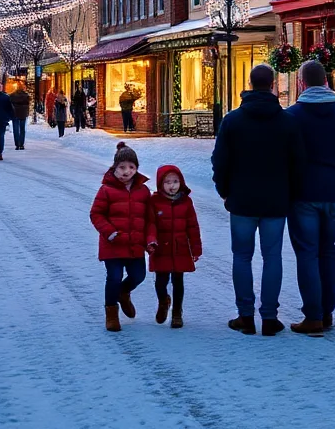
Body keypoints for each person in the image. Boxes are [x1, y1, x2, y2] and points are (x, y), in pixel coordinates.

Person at [211, 63, 305, 337]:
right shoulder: (287, 121)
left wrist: (224, 190)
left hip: (241, 200)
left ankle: (245, 315)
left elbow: (220, 161)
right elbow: (298, 163)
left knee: (242, 256)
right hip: (276, 201)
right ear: (273, 84)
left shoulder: (233, 120)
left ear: (250, 85)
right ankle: (269, 317)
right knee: (272, 256)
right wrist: (291, 192)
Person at [285, 60, 335, 335]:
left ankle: (313, 315)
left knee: (307, 253)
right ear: (327, 82)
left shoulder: (292, 116)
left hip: (303, 194)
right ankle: (327, 311)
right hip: (334, 193)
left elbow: (285, 159)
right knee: (327, 250)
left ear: (302, 83)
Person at [89, 143, 154, 332]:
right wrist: (109, 232)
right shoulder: (106, 190)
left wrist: (150, 238)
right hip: (113, 244)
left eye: (132, 167)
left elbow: (150, 219)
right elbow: (96, 214)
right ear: (114, 168)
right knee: (114, 277)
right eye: (122, 167)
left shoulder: (143, 191)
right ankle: (111, 313)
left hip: (135, 243)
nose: (127, 172)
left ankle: (124, 292)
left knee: (138, 275)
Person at [147, 164, 202, 329]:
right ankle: (164, 301)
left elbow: (193, 226)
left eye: (175, 181)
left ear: (181, 182)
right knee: (160, 281)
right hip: (161, 248)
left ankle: (177, 313)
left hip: (180, 248)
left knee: (178, 281)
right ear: (160, 184)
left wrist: (196, 248)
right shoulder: (154, 201)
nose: (172, 186)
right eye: (167, 182)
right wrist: (150, 240)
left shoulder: (186, 202)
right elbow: (150, 224)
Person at [9, 82, 31, 151]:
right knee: (22, 129)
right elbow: (28, 104)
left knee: (16, 129)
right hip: (23, 114)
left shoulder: (12, 95)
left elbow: (9, 104)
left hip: (15, 114)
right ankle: (21, 144)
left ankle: (17, 144)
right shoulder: (26, 95)